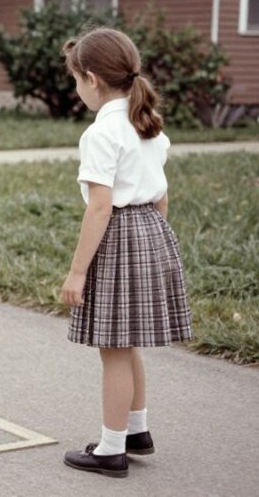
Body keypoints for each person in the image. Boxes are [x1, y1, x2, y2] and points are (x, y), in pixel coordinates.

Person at [59, 28, 193, 478]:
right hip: (151, 231)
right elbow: (162, 198)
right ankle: (137, 430)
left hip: (118, 235)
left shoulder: (102, 132)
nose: (76, 89)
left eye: (76, 80)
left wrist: (77, 272)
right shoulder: (148, 123)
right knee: (126, 340)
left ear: (92, 79)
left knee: (113, 347)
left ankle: (111, 450)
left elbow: (100, 208)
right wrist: (153, 244)